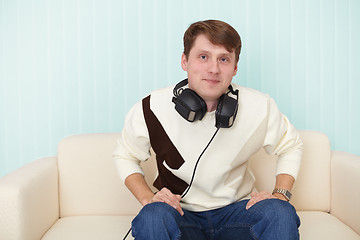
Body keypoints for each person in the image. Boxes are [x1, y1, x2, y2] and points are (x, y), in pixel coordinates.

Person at [113, 19, 302, 240]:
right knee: (152, 215)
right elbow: (125, 155)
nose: (213, 69)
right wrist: (147, 197)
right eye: (203, 57)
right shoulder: (152, 106)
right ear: (185, 61)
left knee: (280, 212)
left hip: (238, 213)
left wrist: (281, 193)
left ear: (235, 67)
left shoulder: (260, 106)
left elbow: (291, 145)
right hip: (179, 213)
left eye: (223, 59)